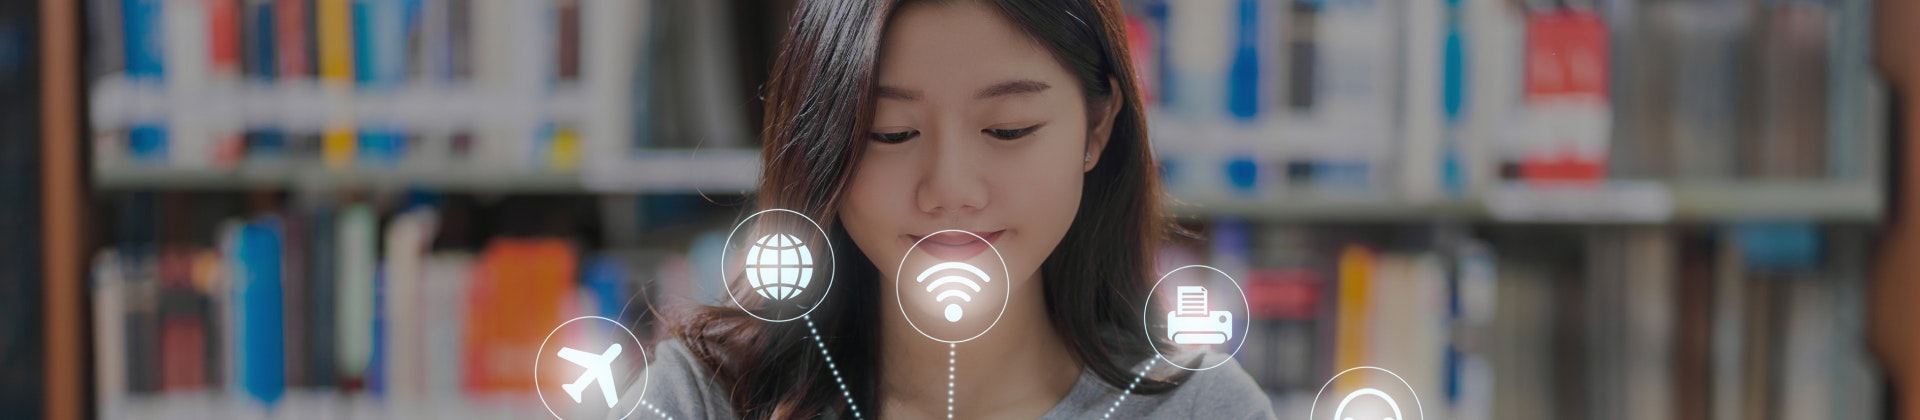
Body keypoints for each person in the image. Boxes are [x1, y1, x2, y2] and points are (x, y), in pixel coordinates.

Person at [622, 0, 1276, 418]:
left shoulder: (1206, 408)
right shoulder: (701, 398)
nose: (950, 189)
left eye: (1009, 129)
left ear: (1097, 127)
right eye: (891, 133)